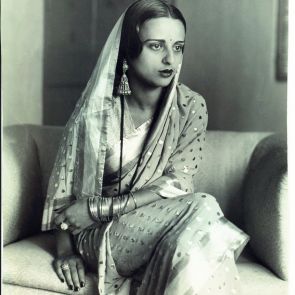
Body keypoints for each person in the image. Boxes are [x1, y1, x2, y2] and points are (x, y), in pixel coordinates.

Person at [41, 1, 249, 294]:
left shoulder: (190, 107)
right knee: (204, 207)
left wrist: (97, 207)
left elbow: (178, 184)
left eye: (178, 47)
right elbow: (63, 202)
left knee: (196, 237)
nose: (169, 59)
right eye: (156, 46)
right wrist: (65, 252)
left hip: (162, 226)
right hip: (100, 235)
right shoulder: (97, 113)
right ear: (128, 50)